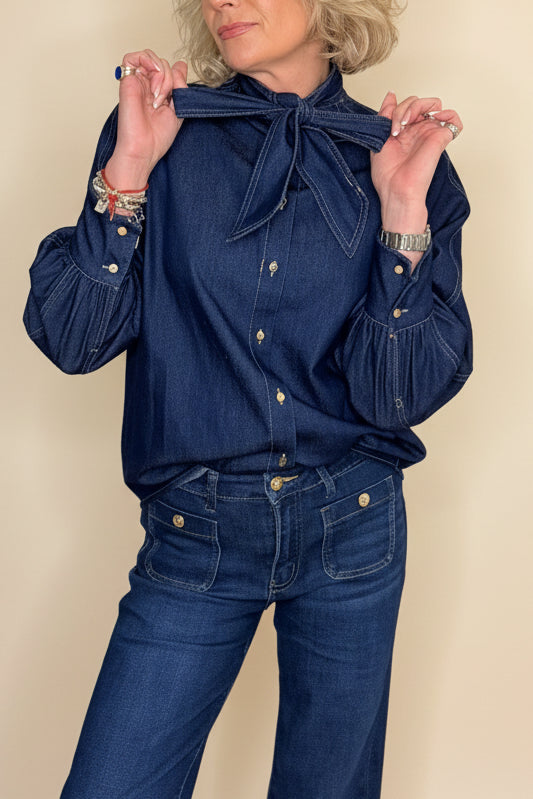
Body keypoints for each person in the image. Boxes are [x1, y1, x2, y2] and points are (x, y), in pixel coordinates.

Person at [23, 0, 472, 796]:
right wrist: (128, 169)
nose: (222, 1)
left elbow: (393, 393)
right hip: (197, 535)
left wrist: (402, 212)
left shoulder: (400, 155)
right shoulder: (164, 131)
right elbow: (73, 338)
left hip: (352, 527)